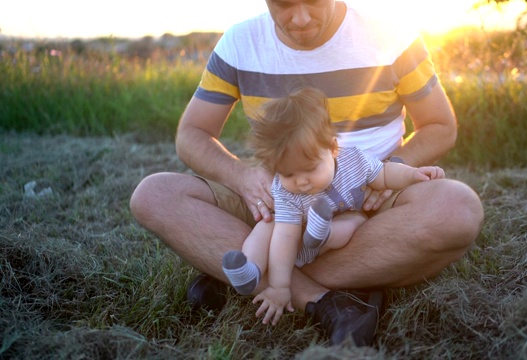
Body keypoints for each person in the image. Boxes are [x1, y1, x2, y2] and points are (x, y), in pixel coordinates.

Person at [129, 0, 484, 347]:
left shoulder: (392, 35)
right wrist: (241, 177)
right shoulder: (239, 42)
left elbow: (440, 125)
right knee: (153, 195)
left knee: (458, 209)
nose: (299, 18)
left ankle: (256, 277)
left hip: (371, 202)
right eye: (283, 4)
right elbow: (191, 135)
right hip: (276, 202)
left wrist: (395, 168)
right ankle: (325, 294)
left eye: (313, 2)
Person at [221, 87, 446, 327]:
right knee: (267, 226)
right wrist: (279, 286)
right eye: (288, 173)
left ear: (333, 148)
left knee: (354, 221)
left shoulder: (354, 161)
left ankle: (323, 232)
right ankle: (250, 270)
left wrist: (413, 175)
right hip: (294, 245)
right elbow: (285, 237)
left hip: (334, 243)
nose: (301, 181)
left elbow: (385, 175)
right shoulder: (284, 190)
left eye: (310, 169)